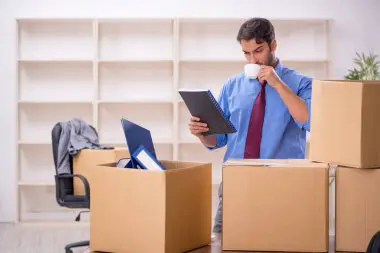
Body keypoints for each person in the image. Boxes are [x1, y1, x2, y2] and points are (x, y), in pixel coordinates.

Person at [187, 17, 312, 234]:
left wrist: (277, 84)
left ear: (273, 45)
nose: (252, 60)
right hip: (236, 181)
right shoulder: (232, 86)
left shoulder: (300, 83)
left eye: (258, 50)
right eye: (246, 53)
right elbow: (220, 139)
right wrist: (201, 133)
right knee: (222, 242)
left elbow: (307, 119)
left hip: (281, 184)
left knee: (280, 242)